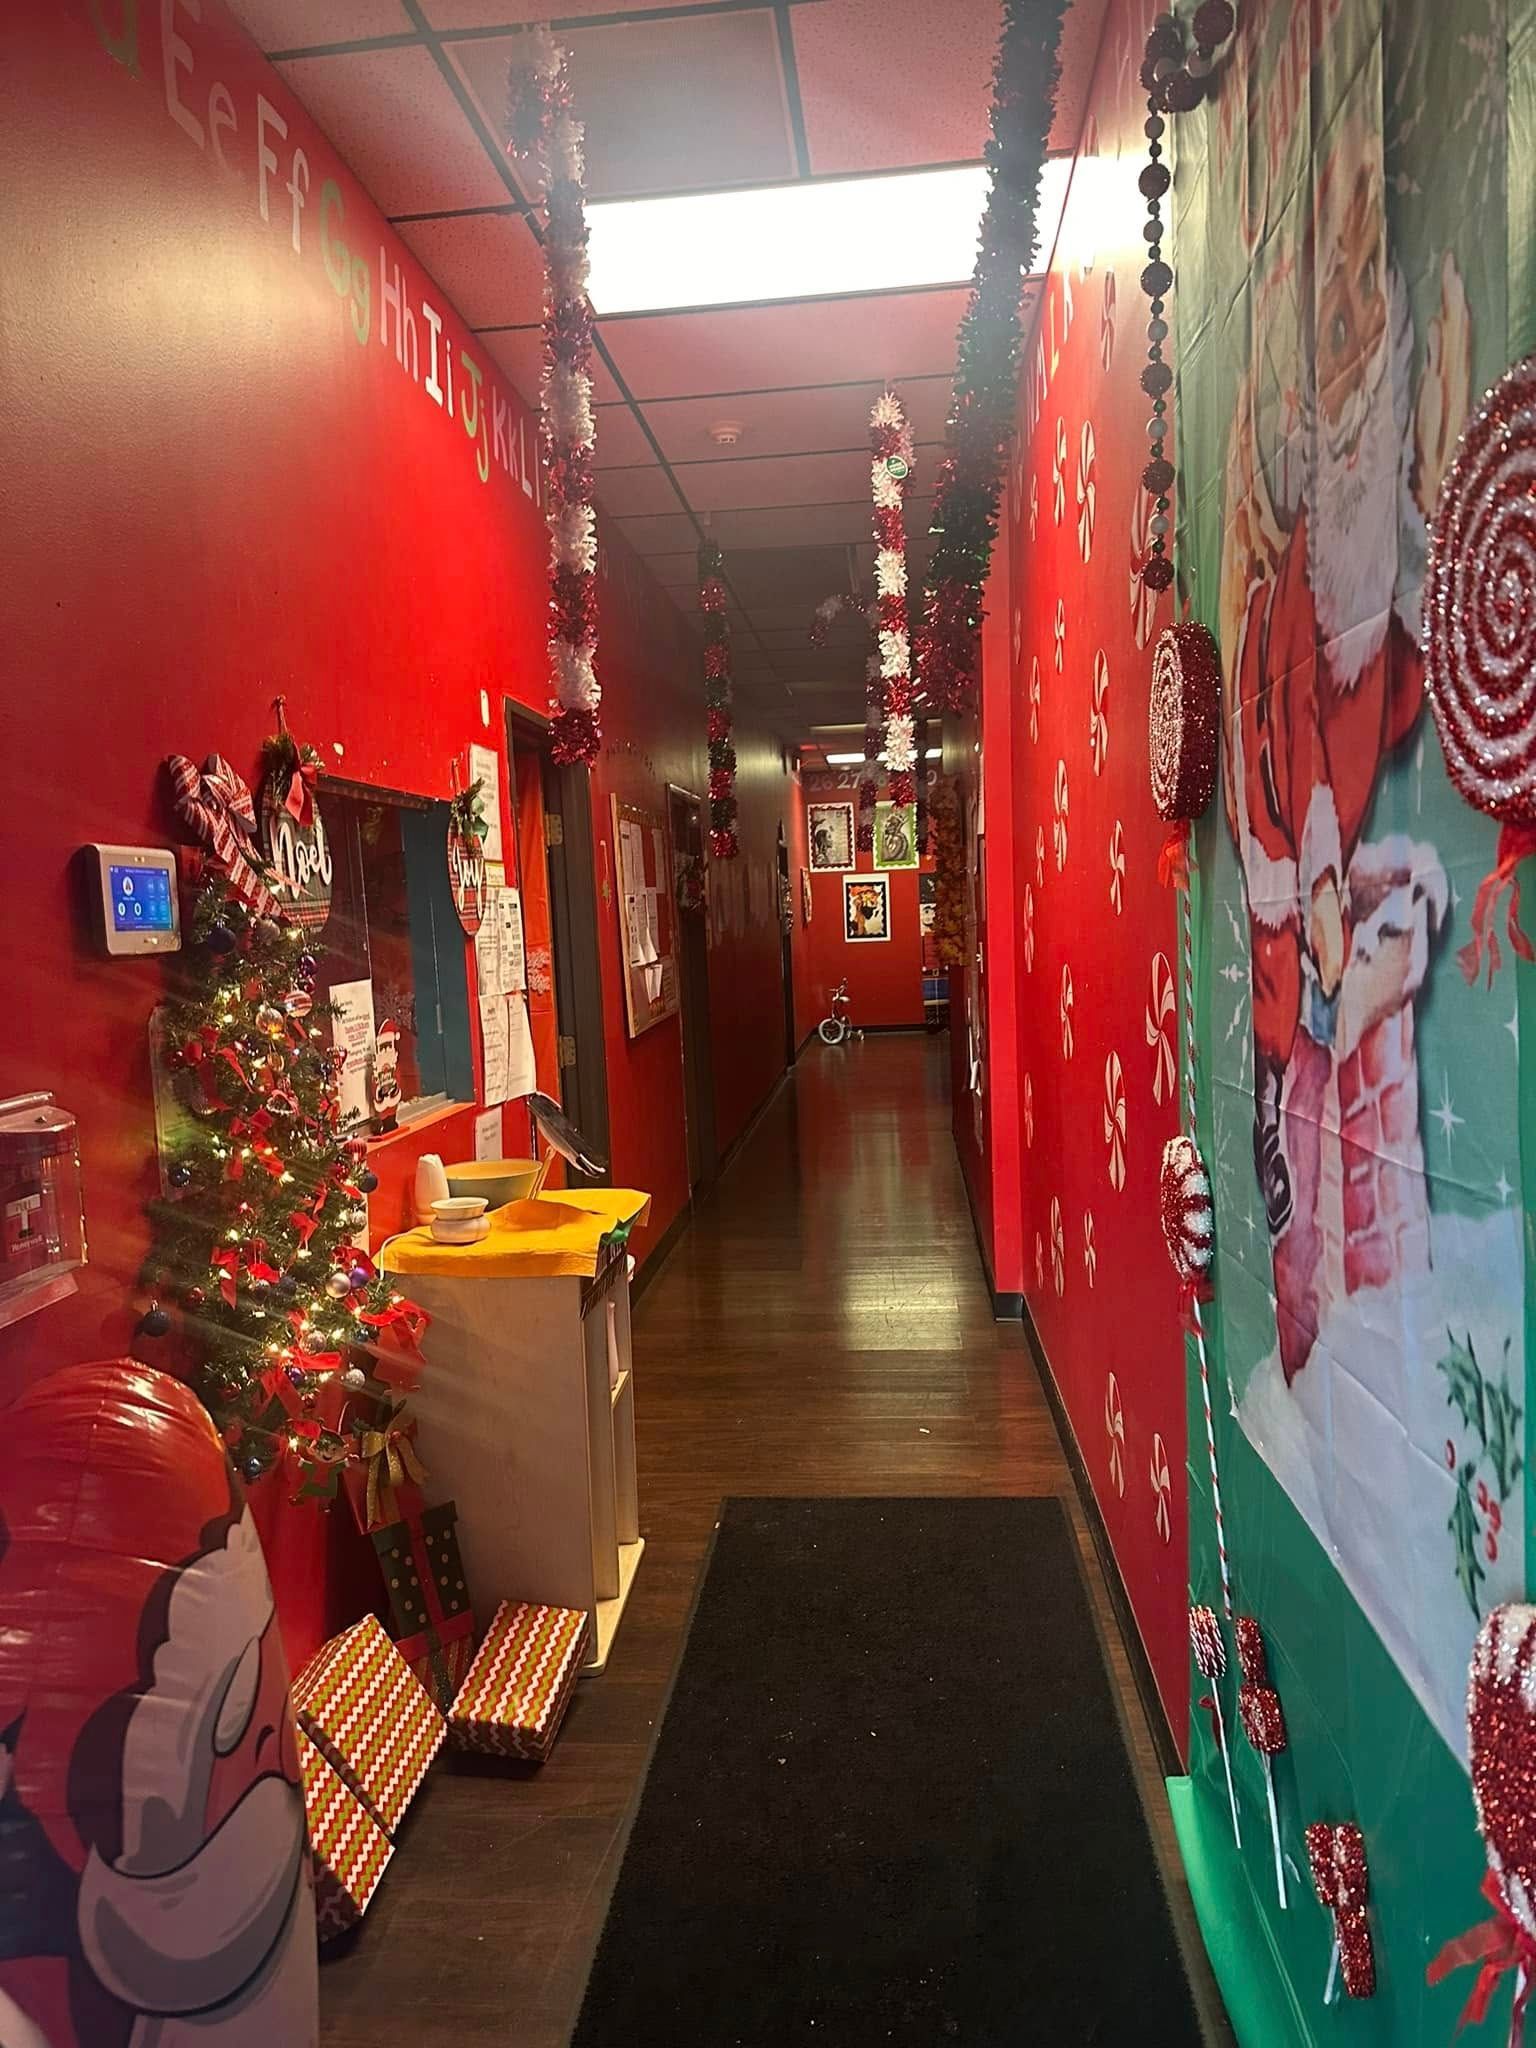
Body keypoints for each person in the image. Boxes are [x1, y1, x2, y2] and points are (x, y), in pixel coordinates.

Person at [1221, 113, 1468, 1379]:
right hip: (1289, 993)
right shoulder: (1285, 608)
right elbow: (1291, 786)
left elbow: (1409, 689)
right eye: (1338, 322)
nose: (1363, 341)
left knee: (1382, 1229)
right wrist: (1319, 900)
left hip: (1334, 964)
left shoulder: (1373, 579)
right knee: (1311, 1235)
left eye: (1376, 302)